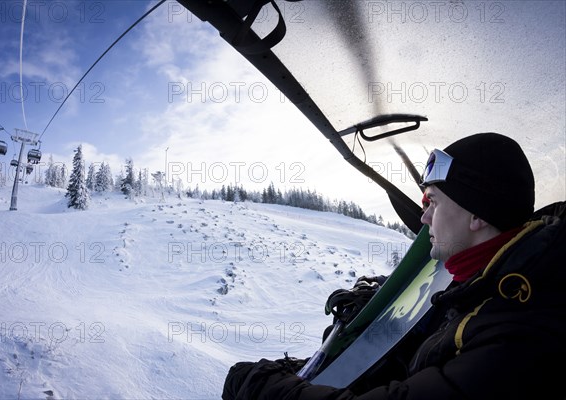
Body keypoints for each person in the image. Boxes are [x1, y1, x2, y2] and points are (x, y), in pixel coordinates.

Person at [222, 132, 566, 400]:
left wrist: (267, 389)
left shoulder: (520, 327)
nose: (424, 216)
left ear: (477, 215)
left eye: (433, 202)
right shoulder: (486, 278)